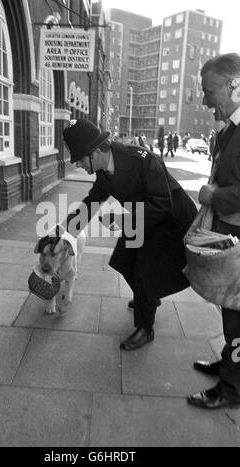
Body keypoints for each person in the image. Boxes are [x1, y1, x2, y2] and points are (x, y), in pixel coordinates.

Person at [63, 119, 197, 351]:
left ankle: (146, 328)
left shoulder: (142, 161)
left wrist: (122, 219)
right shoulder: (104, 171)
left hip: (171, 221)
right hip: (144, 218)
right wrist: (65, 235)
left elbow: (162, 202)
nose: (80, 165)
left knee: (146, 269)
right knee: (124, 259)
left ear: (95, 152)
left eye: (81, 160)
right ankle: (148, 297)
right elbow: (93, 201)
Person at [187, 53, 240, 410]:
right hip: (228, 235)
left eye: (209, 91)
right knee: (229, 308)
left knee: (238, 315)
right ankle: (230, 362)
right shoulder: (231, 129)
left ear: (234, 85)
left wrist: (213, 195)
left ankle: (232, 389)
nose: (205, 100)